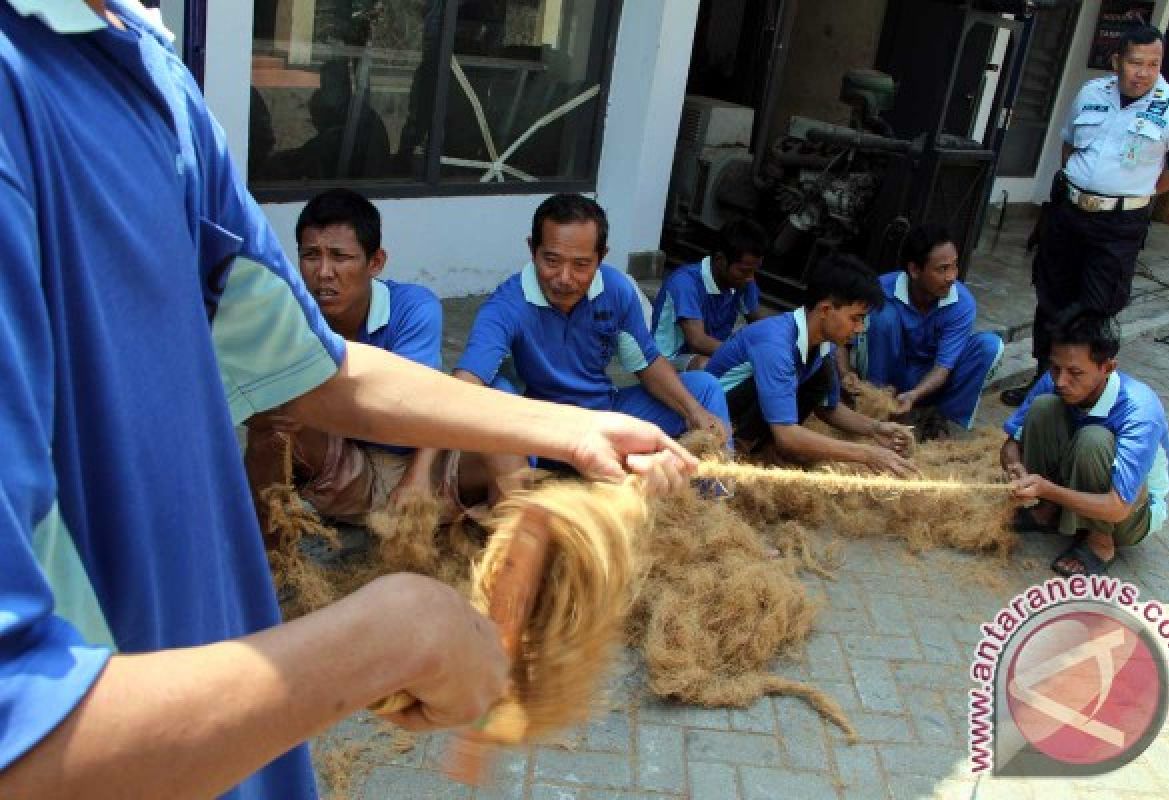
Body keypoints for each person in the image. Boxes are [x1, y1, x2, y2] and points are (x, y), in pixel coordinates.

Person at [0, 4, 696, 798]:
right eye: (316, 257)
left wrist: (569, 428)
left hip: (229, 748)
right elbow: (22, 743)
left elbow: (317, 367)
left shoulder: (146, 70)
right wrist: (391, 636)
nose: (326, 271)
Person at [244, 188, 525, 541]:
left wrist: (418, 476)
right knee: (269, 422)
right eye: (311, 256)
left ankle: (514, 560)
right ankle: (272, 562)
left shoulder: (413, 308)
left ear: (375, 262)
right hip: (348, 471)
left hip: (426, 469)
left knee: (499, 416)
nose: (324, 272)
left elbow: (413, 403)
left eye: (340, 256)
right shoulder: (287, 317)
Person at [1002, 23, 1169, 406]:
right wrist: (1081, 190)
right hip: (1070, 213)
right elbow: (1069, 147)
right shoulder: (1091, 93)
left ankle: (1081, 395)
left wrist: (1133, 194)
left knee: (1096, 306)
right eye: (1135, 62)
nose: (1143, 72)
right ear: (1116, 61)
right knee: (1051, 296)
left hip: (1119, 225)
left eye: (1153, 64)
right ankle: (1043, 382)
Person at [454, 193, 732, 449]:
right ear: (532, 249)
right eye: (551, 260)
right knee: (497, 396)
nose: (564, 278)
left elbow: (646, 364)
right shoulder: (506, 305)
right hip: (541, 431)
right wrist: (422, 469)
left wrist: (696, 414)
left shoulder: (616, 290)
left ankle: (718, 493)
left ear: (601, 257)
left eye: (581, 264)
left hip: (603, 415)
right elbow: (465, 384)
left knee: (705, 390)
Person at [705, 254, 917, 476]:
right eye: (855, 318)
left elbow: (828, 408)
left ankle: (759, 453)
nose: (860, 328)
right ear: (825, 310)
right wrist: (867, 454)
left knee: (819, 378)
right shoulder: (775, 344)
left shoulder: (824, 347)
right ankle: (738, 453)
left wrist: (875, 428)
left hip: (756, 420)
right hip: (711, 423)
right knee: (782, 390)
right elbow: (786, 435)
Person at [1002, 311, 1169, 576]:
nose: (1061, 381)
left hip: (1129, 514)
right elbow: (1011, 444)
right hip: (1076, 485)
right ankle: (1046, 514)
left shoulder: (1140, 410)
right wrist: (1016, 469)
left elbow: (1118, 507)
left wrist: (1046, 490)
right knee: (1044, 407)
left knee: (1094, 439)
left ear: (1107, 368)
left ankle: (1100, 543)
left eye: (1075, 373)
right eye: (1056, 367)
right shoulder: (1054, 380)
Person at [837, 223, 1004, 435]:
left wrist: (914, 395)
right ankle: (875, 406)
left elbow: (943, 367)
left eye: (954, 266)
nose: (952, 276)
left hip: (930, 379)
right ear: (915, 270)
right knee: (881, 316)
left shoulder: (962, 303)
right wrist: (845, 374)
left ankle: (943, 422)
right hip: (887, 373)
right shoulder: (880, 288)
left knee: (989, 346)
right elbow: (840, 338)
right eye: (942, 269)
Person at [650, 217, 773, 371]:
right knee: (707, 366)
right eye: (745, 270)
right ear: (720, 260)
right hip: (666, 362)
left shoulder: (743, 281)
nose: (751, 278)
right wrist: (748, 354)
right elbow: (697, 341)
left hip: (713, 353)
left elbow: (758, 322)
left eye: (755, 270)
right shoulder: (685, 283)